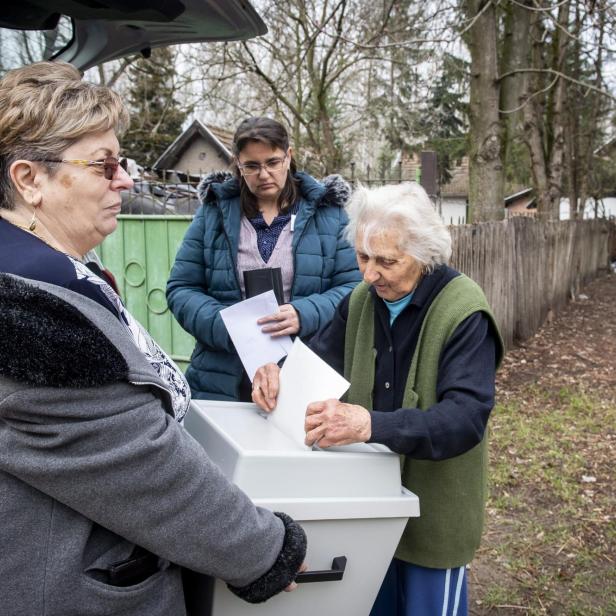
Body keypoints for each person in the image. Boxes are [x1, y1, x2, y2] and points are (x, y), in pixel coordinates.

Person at [0, 62, 306, 616]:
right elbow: (141, 467)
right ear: (29, 180)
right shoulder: (31, 317)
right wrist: (268, 551)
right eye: (104, 165)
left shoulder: (47, 272)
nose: (126, 180)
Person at [252, 182, 504, 616]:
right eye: (363, 257)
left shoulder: (464, 311)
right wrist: (277, 375)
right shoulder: (362, 299)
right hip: (371, 507)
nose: (370, 274)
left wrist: (370, 425)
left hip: (434, 514)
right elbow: (316, 365)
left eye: (387, 261)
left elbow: (464, 419)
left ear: (425, 255)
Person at [166, 116, 361, 401]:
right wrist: (232, 327)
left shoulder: (328, 214)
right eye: (252, 166)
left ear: (289, 156)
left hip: (305, 373)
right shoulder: (213, 213)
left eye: (272, 162)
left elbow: (353, 288)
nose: (264, 174)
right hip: (222, 377)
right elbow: (181, 289)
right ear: (237, 164)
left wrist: (303, 313)